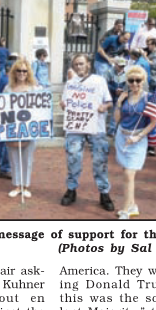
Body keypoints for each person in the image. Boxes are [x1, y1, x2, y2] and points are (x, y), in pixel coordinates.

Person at [60, 52, 115, 210]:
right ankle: (71, 189)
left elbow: (109, 102)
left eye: (81, 63)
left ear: (88, 64)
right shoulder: (70, 83)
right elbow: (64, 102)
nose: (79, 67)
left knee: (100, 161)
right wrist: (63, 105)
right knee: (73, 158)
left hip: (96, 127)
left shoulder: (99, 81)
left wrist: (103, 107)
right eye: (76, 64)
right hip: (75, 126)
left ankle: (104, 192)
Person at [113, 65, 156, 219]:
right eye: (131, 80)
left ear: (144, 80)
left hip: (138, 139)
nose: (134, 83)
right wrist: (118, 104)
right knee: (127, 173)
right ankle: (133, 205)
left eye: (138, 80)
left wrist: (139, 136)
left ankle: (125, 210)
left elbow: (153, 122)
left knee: (129, 174)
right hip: (122, 137)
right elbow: (117, 120)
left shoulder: (149, 98)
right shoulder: (124, 96)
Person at [3, 56, 39, 199]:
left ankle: (25, 185)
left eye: (24, 71)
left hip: (29, 126)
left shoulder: (34, 88)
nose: (22, 74)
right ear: (14, 72)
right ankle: (17, 185)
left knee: (27, 156)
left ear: (28, 72)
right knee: (13, 156)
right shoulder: (8, 88)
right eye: (19, 71)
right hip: (12, 126)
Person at [0, 52, 17, 178]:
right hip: (7, 113)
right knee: (7, 141)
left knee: (2, 141)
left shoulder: (1, 79)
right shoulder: (7, 81)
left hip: (0, 112)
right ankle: (4, 167)